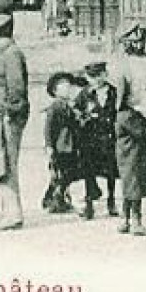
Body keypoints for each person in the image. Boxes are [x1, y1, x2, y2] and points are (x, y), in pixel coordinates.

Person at [112, 35, 146, 236]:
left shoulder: (124, 113)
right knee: (134, 184)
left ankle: (124, 220)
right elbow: (142, 132)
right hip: (132, 152)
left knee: (128, 184)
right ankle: (136, 222)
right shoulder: (128, 114)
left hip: (129, 152)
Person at [0, 12, 30, 231]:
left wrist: (8, 112)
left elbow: (17, 91)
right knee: (3, 165)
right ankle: (8, 211)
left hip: (8, 120)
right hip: (2, 118)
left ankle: (13, 214)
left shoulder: (11, 55)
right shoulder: (6, 54)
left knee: (7, 166)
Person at [75, 58, 118, 219]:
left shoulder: (114, 92)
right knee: (89, 170)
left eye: (98, 75)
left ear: (105, 74)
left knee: (110, 170)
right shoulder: (85, 94)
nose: (95, 80)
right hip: (90, 138)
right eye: (91, 77)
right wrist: (84, 117)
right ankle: (89, 204)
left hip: (108, 136)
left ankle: (111, 201)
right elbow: (76, 112)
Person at [42, 72, 85, 214]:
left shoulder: (71, 106)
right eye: (64, 87)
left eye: (69, 87)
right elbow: (48, 128)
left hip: (71, 145)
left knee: (67, 173)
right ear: (55, 91)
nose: (68, 90)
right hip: (61, 146)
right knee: (60, 174)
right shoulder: (54, 107)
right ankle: (54, 200)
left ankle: (58, 199)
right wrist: (49, 146)